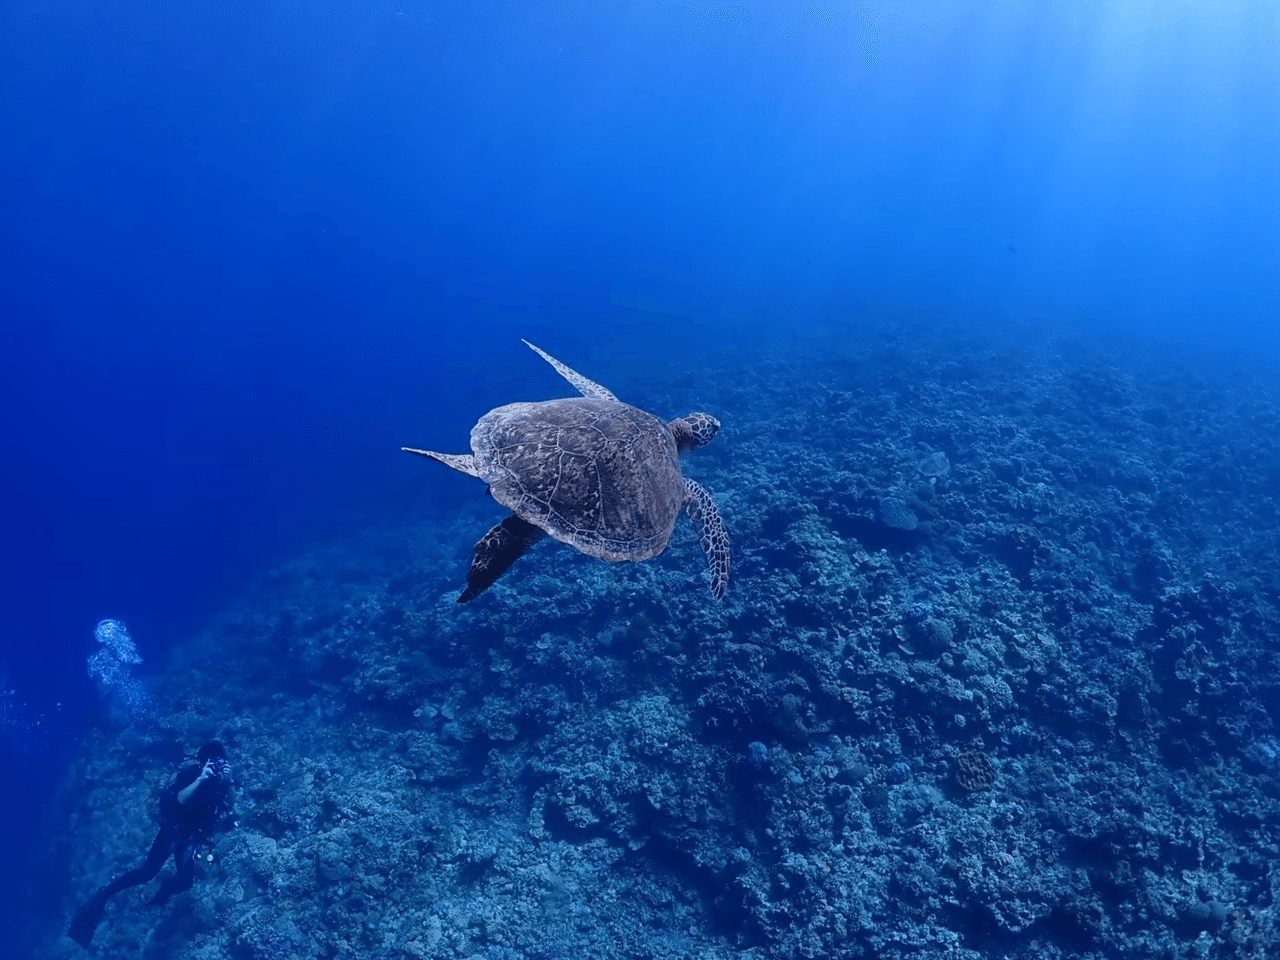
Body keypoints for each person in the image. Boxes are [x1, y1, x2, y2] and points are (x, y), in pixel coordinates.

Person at [68, 741, 234, 948]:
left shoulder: (220, 783)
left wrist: (227, 782)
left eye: (221, 761)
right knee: (147, 873)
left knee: (186, 882)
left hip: (191, 839)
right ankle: (105, 893)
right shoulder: (192, 775)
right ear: (204, 761)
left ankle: (163, 892)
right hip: (172, 833)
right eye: (213, 761)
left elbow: (229, 807)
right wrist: (200, 779)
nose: (217, 765)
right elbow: (179, 800)